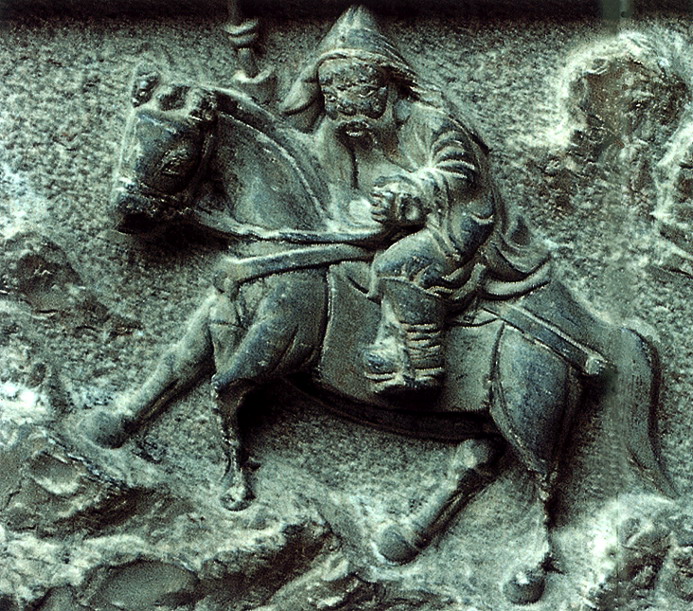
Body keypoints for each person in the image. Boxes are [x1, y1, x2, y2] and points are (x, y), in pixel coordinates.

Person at [282, 6, 513, 394]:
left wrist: (414, 189)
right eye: (335, 102)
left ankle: (421, 362)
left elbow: (461, 173)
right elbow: (328, 179)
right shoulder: (338, 136)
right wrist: (359, 213)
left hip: (455, 217)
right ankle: (377, 334)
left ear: (386, 89)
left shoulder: (429, 122)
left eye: (358, 98)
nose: (348, 115)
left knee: (398, 262)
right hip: (376, 225)